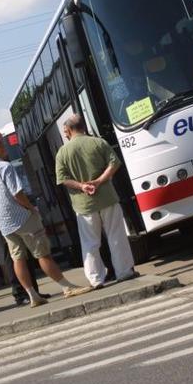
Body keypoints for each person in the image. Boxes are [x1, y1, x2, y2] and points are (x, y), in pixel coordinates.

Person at [0, 135, 91, 307]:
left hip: (5, 223)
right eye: (3, 146)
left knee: (18, 258)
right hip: (22, 217)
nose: (5, 150)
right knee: (42, 253)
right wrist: (32, 208)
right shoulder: (4, 167)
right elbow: (17, 193)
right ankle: (66, 286)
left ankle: (32, 294)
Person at [55, 114, 138, 288]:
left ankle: (96, 279)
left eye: (65, 131)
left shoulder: (63, 152)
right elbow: (114, 163)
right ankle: (124, 272)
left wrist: (81, 186)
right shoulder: (98, 142)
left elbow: (62, 179)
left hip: (83, 204)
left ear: (70, 130)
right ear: (83, 127)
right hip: (107, 197)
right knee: (116, 235)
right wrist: (100, 181)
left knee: (90, 242)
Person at [0, 129, 45, 304]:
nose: (4, 142)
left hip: (5, 213)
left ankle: (32, 292)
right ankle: (20, 292)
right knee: (14, 254)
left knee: (20, 254)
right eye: (0, 140)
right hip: (6, 214)